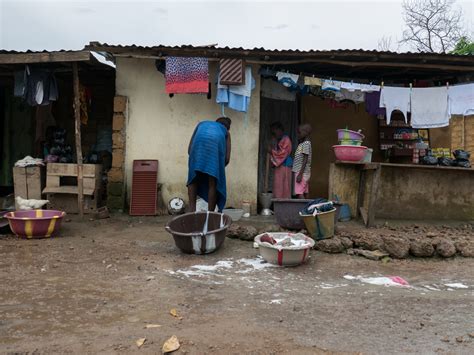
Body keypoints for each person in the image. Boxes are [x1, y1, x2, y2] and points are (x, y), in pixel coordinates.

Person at [187, 117, 232, 212]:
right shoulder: (226, 132)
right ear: (227, 127)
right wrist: (217, 170)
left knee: (193, 180)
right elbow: (227, 159)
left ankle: (191, 212)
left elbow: (189, 149)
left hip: (197, 150)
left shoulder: (201, 124)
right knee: (213, 183)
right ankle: (210, 214)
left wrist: (194, 162)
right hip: (214, 151)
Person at [269, 122, 293, 199]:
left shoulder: (286, 140)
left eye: (275, 131)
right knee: (278, 186)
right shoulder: (277, 140)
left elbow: (283, 153)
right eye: (273, 133)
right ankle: (278, 204)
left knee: (284, 187)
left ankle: (285, 205)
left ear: (280, 130)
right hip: (279, 166)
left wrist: (271, 151)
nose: (274, 134)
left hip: (285, 166)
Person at [292, 123, 312, 199]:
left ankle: (303, 209)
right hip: (304, 172)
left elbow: (305, 159)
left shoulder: (306, 144)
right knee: (305, 191)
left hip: (301, 172)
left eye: (299, 132)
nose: (298, 134)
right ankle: (308, 209)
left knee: (299, 192)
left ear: (306, 133)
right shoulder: (303, 143)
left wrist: (300, 174)